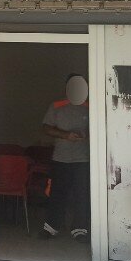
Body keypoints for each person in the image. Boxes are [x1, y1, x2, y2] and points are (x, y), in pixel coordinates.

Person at [41, 74, 90, 242]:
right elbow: (46, 128)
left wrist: (86, 133)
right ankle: (51, 228)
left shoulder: (90, 106)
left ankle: (80, 230)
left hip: (83, 159)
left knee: (81, 195)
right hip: (61, 158)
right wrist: (65, 135)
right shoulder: (56, 106)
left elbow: (99, 126)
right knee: (57, 194)